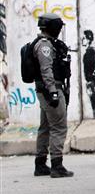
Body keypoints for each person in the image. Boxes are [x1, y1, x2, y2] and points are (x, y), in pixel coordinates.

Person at [32, 13, 74, 178]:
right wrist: (53, 92)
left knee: (45, 127)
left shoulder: (45, 43)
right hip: (50, 89)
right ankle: (57, 165)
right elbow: (46, 70)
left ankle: (40, 164)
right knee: (58, 126)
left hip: (46, 90)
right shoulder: (45, 46)